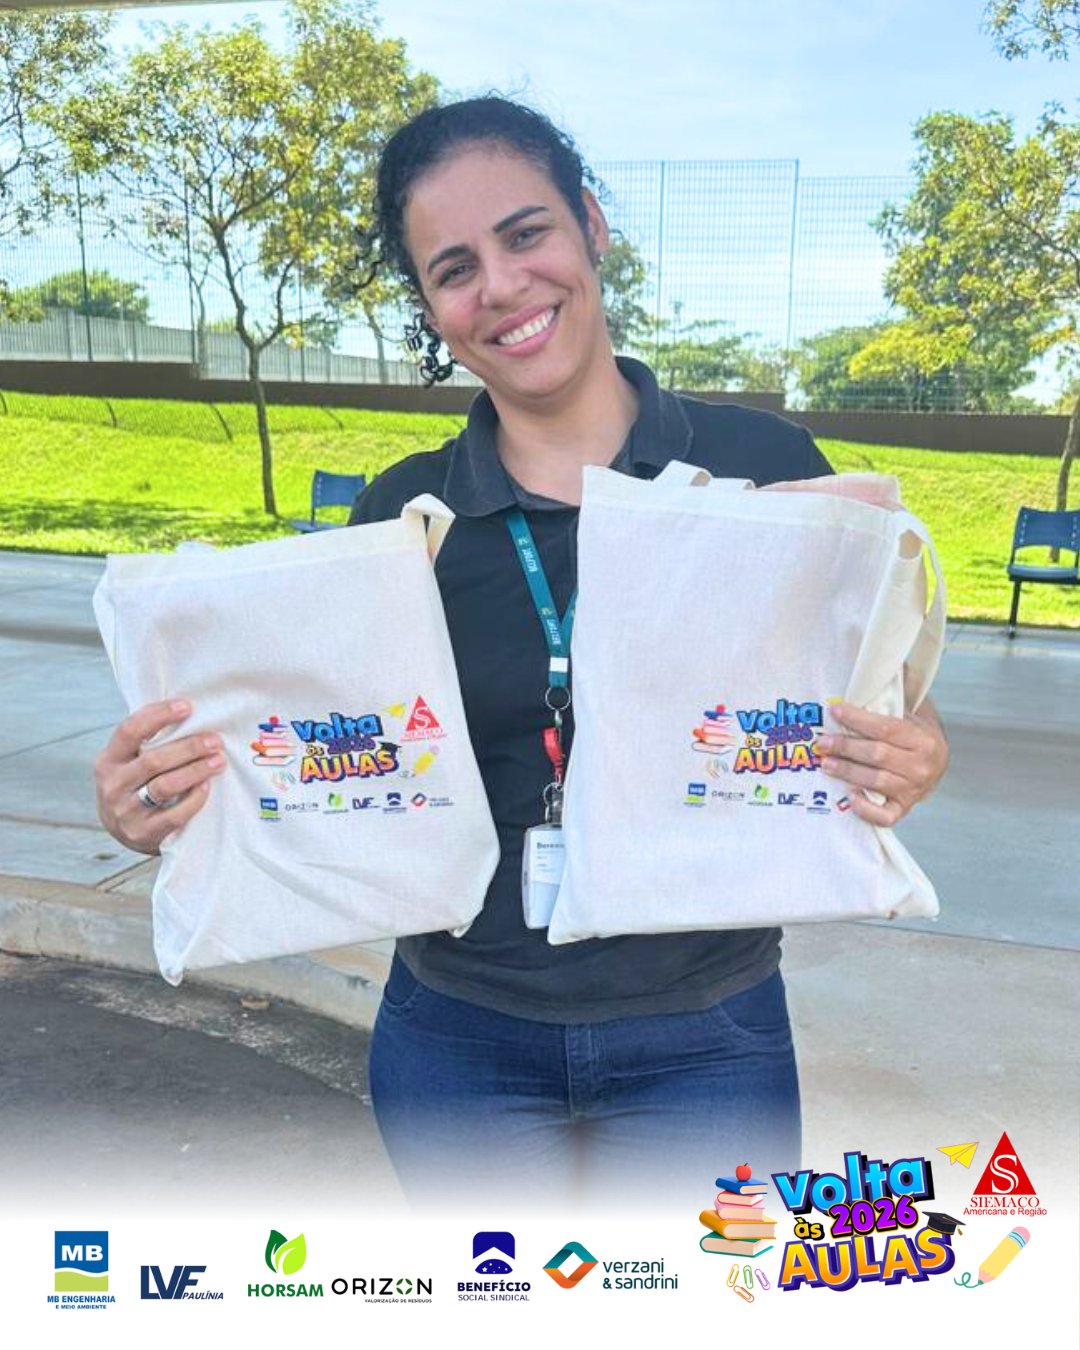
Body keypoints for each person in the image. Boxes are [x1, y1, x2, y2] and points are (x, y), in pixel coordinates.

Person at [95, 97, 948, 1212]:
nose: (499, 286)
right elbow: (322, 755)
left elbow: (876, 698)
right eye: (453, 268)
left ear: (591, 225)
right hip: (459, 1039)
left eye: (526, 233)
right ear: (429, 306)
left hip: (709, 1036)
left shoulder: (765, 467)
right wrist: (167, 800)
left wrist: (914, 750)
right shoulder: (404, 517)